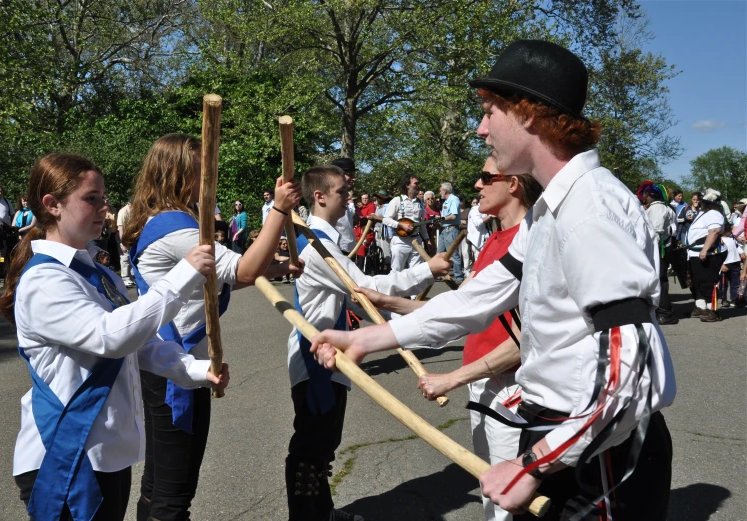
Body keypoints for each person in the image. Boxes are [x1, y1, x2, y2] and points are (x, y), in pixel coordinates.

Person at [310, 39, 676, 521]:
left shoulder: (591, 212)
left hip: (601, 451)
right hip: (565, 439)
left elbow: (633, 375)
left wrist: (530, 465)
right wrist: (367, 338)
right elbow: (478, 298)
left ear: (528, 114)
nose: (481, 129)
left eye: (489, 111)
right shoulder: (550, 212)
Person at [0, 152, 228, 521]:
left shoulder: (97, 274)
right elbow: (112, 338)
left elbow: (141, 343)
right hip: (67, 455)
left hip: (103, 452)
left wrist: (196, 370)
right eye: (91, 199)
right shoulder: (44, 280)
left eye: (104, 198)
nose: (104, 207)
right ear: (51, 205)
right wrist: (183, 275)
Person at [121, 133, 303, 521]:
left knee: (158, 484)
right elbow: (241, 268)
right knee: (174, 490)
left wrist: (277, 268)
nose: (211, 178)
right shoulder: (175, 227)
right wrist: (278, 210)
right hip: (174, 366)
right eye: (203, 171)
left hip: (166, 362)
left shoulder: (173, 219)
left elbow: (220, 277)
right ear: (177, 172)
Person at [359, 154, 542, 521]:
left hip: (511, 387)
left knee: (510, 499)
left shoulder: (533, 242)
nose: (476, 185)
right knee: (490, 486)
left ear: (513, 184)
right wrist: (386, 300)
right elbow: (457, 307)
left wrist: (453, 378)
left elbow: (527, 339)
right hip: (482, 383)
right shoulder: (494, 240)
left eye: (485, 176)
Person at [286, 165, 450, 521]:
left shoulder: (321, 238)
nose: (348, 199)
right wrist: (426, 270)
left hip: (330, 353)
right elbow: (365, 290)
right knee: (310, 449)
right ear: (321, 196)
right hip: (316, 356)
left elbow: (357, 295)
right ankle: (307, 517)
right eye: (342, 192)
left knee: (323, 446)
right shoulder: (316, 244)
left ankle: (322, 512)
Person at [685, 188, 727, 321]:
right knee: (697, 282)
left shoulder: (714, 213)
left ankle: (713, 311)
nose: (700, 203)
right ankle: (701, 307)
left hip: (708, 254)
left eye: (702, 201)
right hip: (696, 253)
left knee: (707, 282)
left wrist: (704, 249)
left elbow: (714, 231)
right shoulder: (705, 213)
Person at [641, 184, 678, 325]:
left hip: (658, 248)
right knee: (660, 278)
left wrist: (648, 250)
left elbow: (656, 231)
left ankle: (664, 312)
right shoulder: (663, 207)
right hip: (660, 248)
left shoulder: (657, 208)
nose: (643, 196)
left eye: (645, 194)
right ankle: (662, 310)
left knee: (659, 278)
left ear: (650, 195)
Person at [382, 174, 431, 272]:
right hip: (400, 242)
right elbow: (386, 219)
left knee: (417, 272)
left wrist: (427, 239)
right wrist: (401, 225)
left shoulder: (420, 203)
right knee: (397, 271)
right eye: (415, 183)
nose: (418, 185)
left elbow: (422, 224)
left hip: (416, 241)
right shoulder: (397, 201)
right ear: (407, 185)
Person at [330, 158, 358, 255]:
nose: (353, 179)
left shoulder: (344, 198)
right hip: (335, 250)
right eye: (350, 174)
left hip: (348, 249)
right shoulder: (328, 197)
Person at [438, 181, 464, 283]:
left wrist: (440, 219)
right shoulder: (445, 201)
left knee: (453, 254)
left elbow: (453, 216)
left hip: (451, 229)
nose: (439, 192)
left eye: (440, 190)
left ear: (445, 190)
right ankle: (439, 274)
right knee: (439, 253)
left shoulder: (454, 199)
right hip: (444, 230)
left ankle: (459, 278)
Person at [719, 223, 745, 307]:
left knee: (735, 283)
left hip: (735, 262)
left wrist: (741, 252)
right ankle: (724, 299)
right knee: (724, 283)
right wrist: (722, 264)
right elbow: (718, 254)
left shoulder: (732, 238)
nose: (731, 231)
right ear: (724, 231)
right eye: (729, 230)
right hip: (725, 263)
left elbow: (736, 246)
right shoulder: (719, 240)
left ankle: (735, 299)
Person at [354, 193, 376, 266]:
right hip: (357, 231)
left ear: (369, 198)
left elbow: (370, 218)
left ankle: (360, 268)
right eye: (363, 199)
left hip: (366, 231)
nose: (365, 200)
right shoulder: (359, 208)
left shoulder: (371, 206)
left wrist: (361, 217)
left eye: (366, 198)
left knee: (361, 248)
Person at [117, 200, 133, 286]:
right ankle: (125, 278)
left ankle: (130, 276)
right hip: (122, 236)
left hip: (131, 236)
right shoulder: (123, 212)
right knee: (125, 257)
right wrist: (123, 243)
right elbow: (121, 228)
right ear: (129, 203)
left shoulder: (133, 210)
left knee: (130, 256)